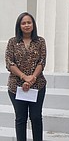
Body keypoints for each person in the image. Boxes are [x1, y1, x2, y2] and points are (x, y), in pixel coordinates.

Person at [5, 12, 47, 141]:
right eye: (23, 23)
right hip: (16, 87)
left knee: (35, 117)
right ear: (19, 26)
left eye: (29, 22)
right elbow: (9, 62)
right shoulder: (12, 42)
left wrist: (32, 78)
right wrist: (24, 77)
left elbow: (42, 61)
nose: (27, 25)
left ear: (33, 25)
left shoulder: (40, 41)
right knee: (21, 118)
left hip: (37, 85)